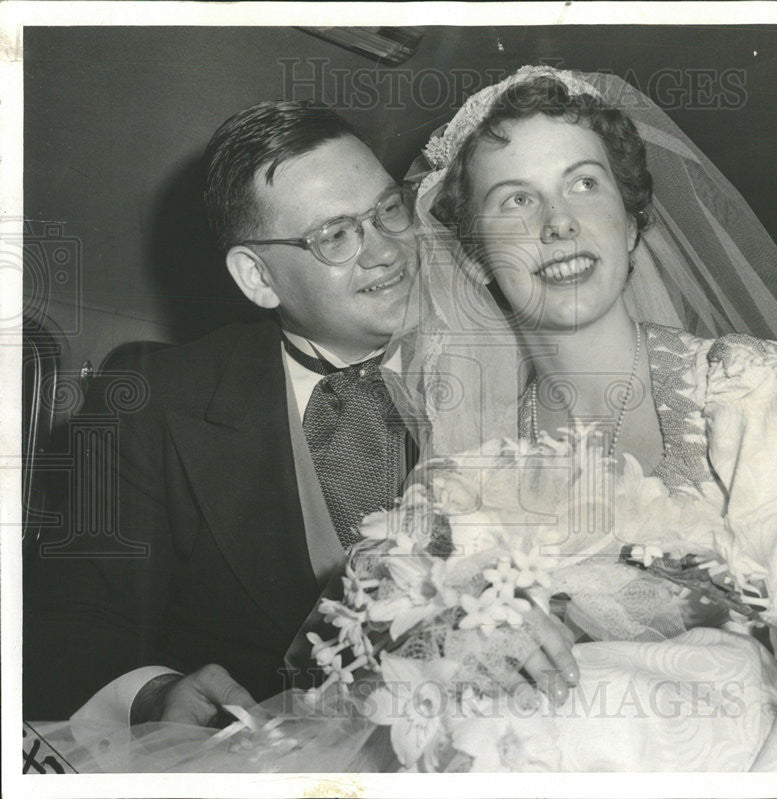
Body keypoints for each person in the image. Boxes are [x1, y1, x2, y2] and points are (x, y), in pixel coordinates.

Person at [388, 66, 777, 770]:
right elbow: (383, 640)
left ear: (632, 222)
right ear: (477, 257)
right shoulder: (474, 478)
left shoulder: (750, 386)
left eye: (584, 183)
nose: (558, 222)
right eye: (516, 200)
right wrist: (463, 631)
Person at [22, 99, 579, 731]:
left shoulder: (525, 361)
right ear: (258, 277)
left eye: (387, 210)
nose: (387, 253)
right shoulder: (151, 398)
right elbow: (63, 624)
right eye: (336, 234)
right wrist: (154, 695)